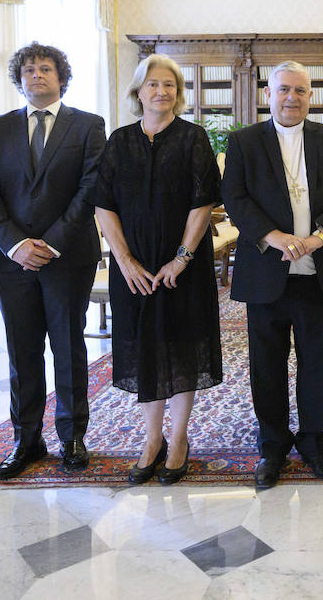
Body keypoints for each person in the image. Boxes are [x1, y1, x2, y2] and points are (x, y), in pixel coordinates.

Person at [221, 62, 323, 489]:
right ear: (269, 94)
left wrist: (318, 237)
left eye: (300, 90)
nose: (292, 98)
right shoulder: (244, 142)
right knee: (267, 363)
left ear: (310, 96)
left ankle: (316, 442)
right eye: (284, 89)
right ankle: (273, 445)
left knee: (316, 362)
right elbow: (236, 198)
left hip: (318, 273)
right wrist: (275, 236)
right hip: (267, 273)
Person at [0, 42, 107, 479]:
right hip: (11, 260)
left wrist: (48, 244)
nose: (36, 76)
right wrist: (16, 245)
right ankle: (26, 439)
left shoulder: (88, 126)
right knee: (22, 351)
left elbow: (91, 189)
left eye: (45, 69)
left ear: (61, 77)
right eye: (28, 70)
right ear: (19, 78)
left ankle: (72, 437)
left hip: (67, 256)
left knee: (68, 347)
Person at [89, 54, 223, 485]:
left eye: (169, 84)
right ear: (138, 92)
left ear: (178, 93)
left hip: (183, 265)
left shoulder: (193, 138)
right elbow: (103, 204)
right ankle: (152, 439)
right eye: (152, 84)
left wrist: (181, 259)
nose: (160, 91)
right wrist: (124, 261)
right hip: (135, 268)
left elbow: (202, 206)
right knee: (144, 348)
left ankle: (179, 439)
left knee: (183, 346)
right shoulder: (119, 141)